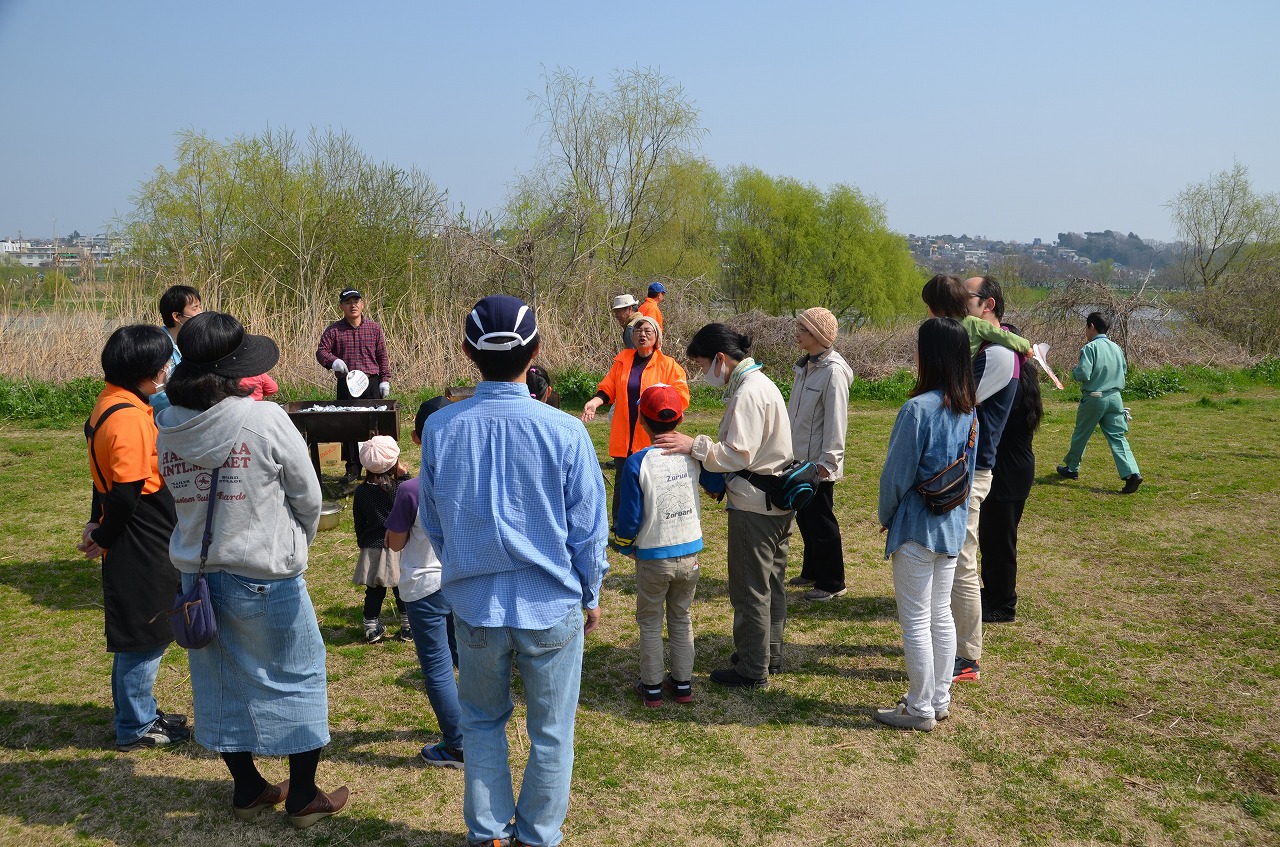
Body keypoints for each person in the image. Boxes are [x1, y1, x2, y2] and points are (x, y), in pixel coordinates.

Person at [418, 294, 608, 847]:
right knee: (551, 730)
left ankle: (489, 831)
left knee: (480, 722)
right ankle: (539, 833)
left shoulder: (442, 428)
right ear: (537, 353)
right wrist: (590, 590)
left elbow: (434, 517)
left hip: (475, 604)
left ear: (466, 354)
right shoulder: (565, 430)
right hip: (549, 601)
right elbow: (588, 528)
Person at [156, 312, 346, 828]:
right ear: (232, 371)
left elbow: (180, 495)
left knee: (219, 681)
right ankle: (303, 795)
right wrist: (290, 542)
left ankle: (249, 788)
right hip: (265, 572)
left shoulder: (166, 425)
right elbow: (308, 494)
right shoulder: (264, 419)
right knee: (299, 676)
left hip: (197, 575)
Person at [654, 323, 796, 688]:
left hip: (754, 506)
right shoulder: (763, 384)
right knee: (772, 582)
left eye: (702, 366)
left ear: (720, 359)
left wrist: (695, 445)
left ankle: (752, 667)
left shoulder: (748, 392)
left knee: (750, 588)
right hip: (776, 499)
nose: (704, 374)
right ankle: (768, 652)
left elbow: (737, 454)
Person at [78, 324, 190, 751]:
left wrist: (95, 522)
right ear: (146, 371)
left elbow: (100, 480)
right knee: (144, 634)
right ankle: (135, 724)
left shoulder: (117, 400)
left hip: (140, 531)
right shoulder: (126, 417)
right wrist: (104, 534)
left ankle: (142, 709)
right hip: (139, 537)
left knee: (149, 627)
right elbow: (124, 494)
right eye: (165, 362)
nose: (169, 368)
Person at [875, 317, 977, 731]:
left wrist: (887, 517)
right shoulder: (970, 411)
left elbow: (895, 477)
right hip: (951, 526)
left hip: (917, 527)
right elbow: (968, 475)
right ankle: (938, 699)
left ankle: (919, 709)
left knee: (917, 620)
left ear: (931, 356)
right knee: (940, 616)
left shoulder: (917, 409)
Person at [611, 384, 724, 707]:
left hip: (653, 554)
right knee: (681, 617)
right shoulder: (692, 454)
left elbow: (629, 516)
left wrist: (623, 544)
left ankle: (652, 688)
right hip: (689, 553)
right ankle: (684, 685)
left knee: (649, 621)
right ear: (681, 417)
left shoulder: (637, 462)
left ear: (642, 421)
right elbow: (716, 484)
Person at [949, 276, 1021, 684]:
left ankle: (968, 657)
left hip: (972, 470)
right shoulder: (990, 348)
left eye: (966, 299)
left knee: (962, 561)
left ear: (987, 304)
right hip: (964, 467)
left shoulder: (997, 355)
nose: (960, 306)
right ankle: (952, 643)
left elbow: (959, 402)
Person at [385, 397, 463, 768]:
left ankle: (458, 744)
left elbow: (395, 543)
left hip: (424, 587)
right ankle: (481, 725)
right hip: (465, 581)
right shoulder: (473, 479)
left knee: (436, 665)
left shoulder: (410, 490)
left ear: (416, 438)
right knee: (465, 655)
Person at [580, 315, 690, 525]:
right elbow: (608, 388)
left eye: (648, 331)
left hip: (653, 436)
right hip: (624, 437)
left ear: (657, 337)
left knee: (653, 481)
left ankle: (654, 524)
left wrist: (665, 418)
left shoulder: (668, 365)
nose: (642, 334)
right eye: (638, 331)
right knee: (624, 483)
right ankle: (620, 527)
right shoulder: (622, 361)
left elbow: (681, 396)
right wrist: (595, 402)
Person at [786, 307, 854, 601]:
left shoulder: (834, 372)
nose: (797, 333)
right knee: (805, 517)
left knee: (821, 521)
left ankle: (832, 582)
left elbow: (837, 421)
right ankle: (812, 571)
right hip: (799, 459)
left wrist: (827, 463)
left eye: (803, 329)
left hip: (817, 464)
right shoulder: (806, 366)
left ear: (818, 335)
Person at [979, 346, 1043, 623]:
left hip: (1007, 473)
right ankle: (993, 591)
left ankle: (1003, 604)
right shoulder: (1024, 382)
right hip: (1014, 469)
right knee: (993, 539)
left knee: (1000, 542)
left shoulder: (1011, 389)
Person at [1057, 312, 1143, 494]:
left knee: (1081, 434)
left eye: (1086, 327)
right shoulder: (1116, 348)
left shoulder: (1090, 348)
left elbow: (1083, 374)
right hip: (1115, 398)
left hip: (1095, 398)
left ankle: (1072, 468)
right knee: (1118, 437)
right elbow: (1124, 370)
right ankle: (1132, 473)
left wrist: (1074, 371)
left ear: (1092, 327)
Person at [315, 287, 392, 480]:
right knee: (347, 426)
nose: (353, 305)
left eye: (356, 301)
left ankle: (376, 467)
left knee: (373, 426)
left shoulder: (374, 329)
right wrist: (333, 361)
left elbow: (382, 356)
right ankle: (353, 468)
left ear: (362, 304)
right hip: (346, 385)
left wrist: (385, 380)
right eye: (348, 302)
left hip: (371, 383)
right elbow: (321, 351)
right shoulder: (334, 330)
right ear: (342, 306)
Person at [353, 435, 411, 643]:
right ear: (395, 462)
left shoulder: (361, 492)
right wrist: (405, 476)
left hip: (373, 545)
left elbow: (359, 521)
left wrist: (363, 542)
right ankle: (408, 627)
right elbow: (411, 500)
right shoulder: (400, 488)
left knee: (374, 590)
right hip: (398, 545)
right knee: (402, 588)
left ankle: (371, 628)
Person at [921, 274, 1030, 357]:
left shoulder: (934, 328)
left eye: (967, 296)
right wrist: (1026, 348)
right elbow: (1006, 337)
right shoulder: (973, 323)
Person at [150, 284, 202, 412]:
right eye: (195, 308)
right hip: (164, 419)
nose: (201, 312)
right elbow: (154, 393)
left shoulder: (197, 341)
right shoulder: (157, 347)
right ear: (177, 317)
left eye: (200, 306)